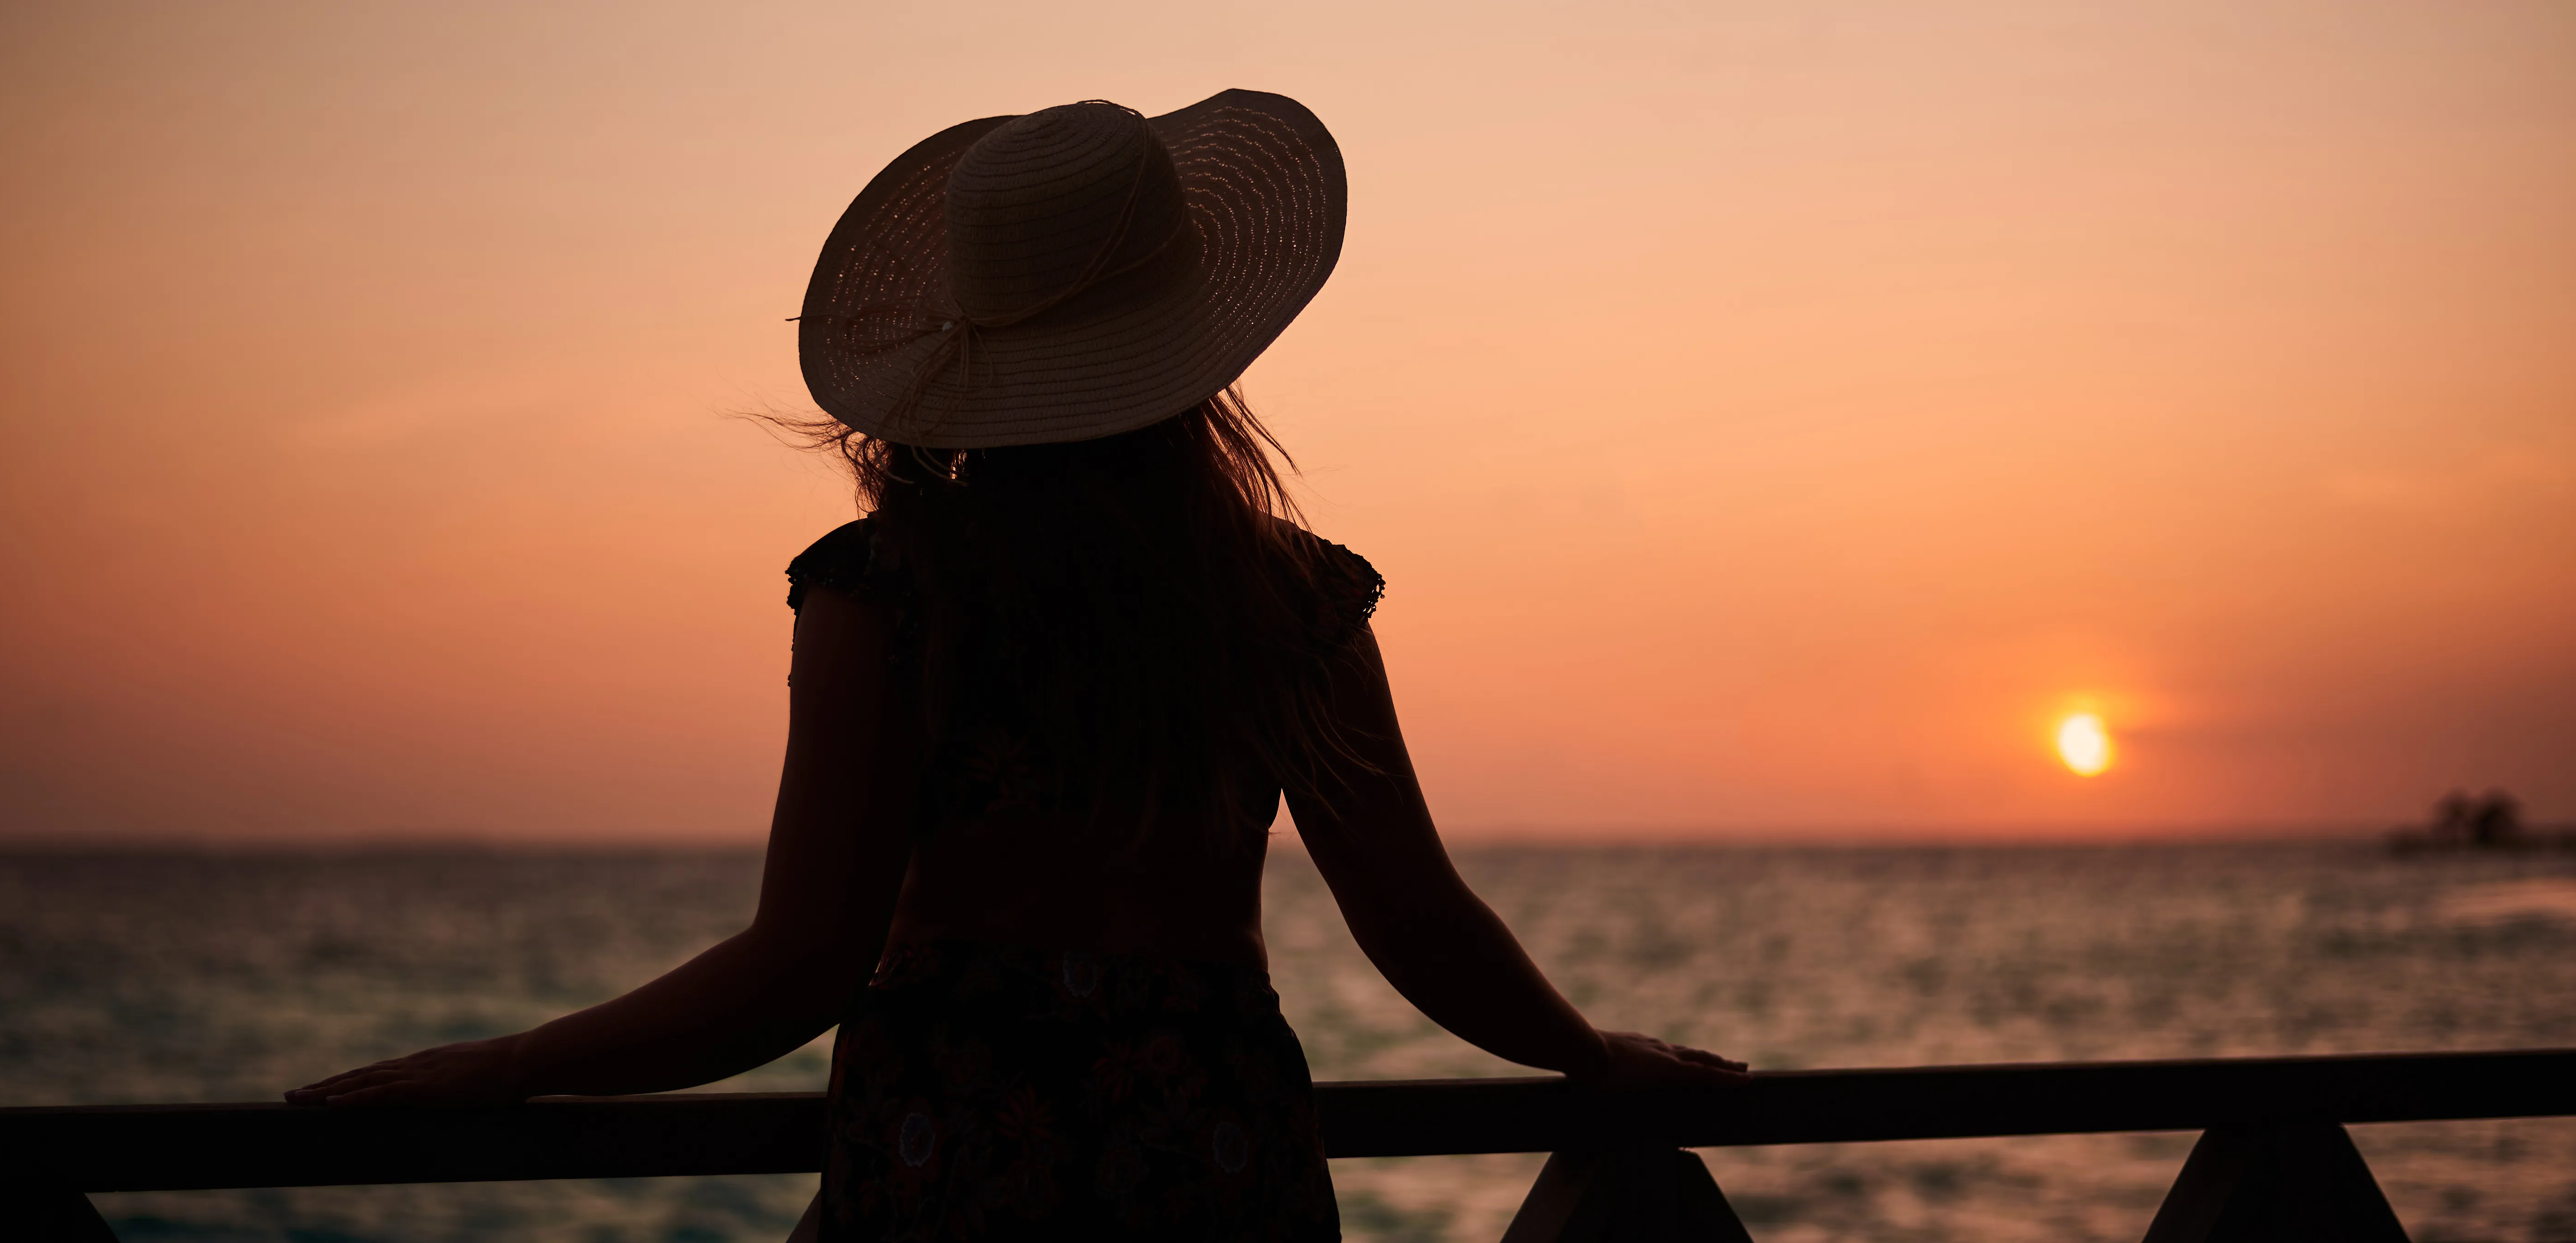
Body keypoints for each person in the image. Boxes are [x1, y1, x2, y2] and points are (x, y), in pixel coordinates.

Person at [287, 90, 1746, 1241]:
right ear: (1195, 334)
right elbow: (1414, 917)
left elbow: (797, 966)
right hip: (1212, 1149)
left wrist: (507, 1062)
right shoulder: (1288, 601)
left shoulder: (885, 593)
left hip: (955, 1150)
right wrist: (1584, 1053)